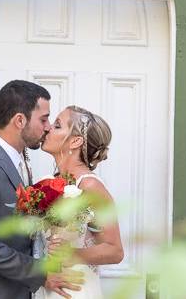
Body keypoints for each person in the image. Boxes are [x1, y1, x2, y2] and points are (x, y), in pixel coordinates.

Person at [0, 80, 83, 299]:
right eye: (43, 119)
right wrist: (39, 273)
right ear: (20, 120)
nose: (48, 126)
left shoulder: (20, 160)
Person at [40, 105, 124, 299]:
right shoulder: (49, 184)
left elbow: (115, 250)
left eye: (57, 125)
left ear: (75, 141)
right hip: (50, 287)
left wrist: (72, 253)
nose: (48, 128)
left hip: (77, 290)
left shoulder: (91, 186)